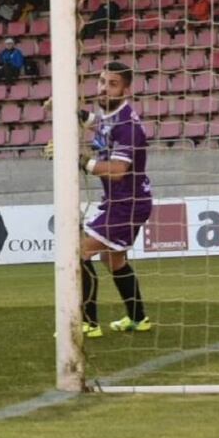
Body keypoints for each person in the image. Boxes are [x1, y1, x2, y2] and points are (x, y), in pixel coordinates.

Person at [45, 62, 152, 338]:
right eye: (102, 81)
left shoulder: (128, 126)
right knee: (114, 261)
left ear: (126, 89)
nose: (104, 88)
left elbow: (117, 171)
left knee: (79, 252)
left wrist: (75, 158)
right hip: (121, 201)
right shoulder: (111, 115)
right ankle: (138, 318)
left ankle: (87, 323)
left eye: (112, 83)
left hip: (127, 203)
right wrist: (66, 110)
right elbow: (96, 125)